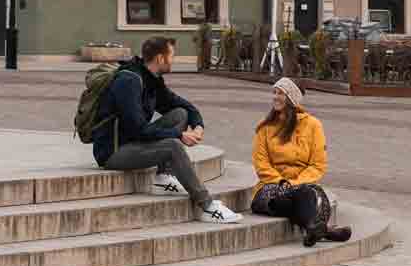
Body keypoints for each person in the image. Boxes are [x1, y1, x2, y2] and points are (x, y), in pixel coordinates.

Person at [92, 35, 242, 224]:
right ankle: (207, 206)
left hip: (132, 141)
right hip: (113, 151)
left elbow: (180, 104)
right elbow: (139, 130)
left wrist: (198, 125)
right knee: (172, 146)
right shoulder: (129, 81)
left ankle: (163, 177)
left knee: (179, 114)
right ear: (160, 59)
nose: (174, 60)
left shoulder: (151, 78)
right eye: (172, 56)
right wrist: (179, 135)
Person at [251, 77, 351, 247]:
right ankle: (322, 230)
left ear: (292, 99)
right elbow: (261, 163)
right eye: (274, 92)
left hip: (302, 184)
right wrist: (282, 182)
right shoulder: (264, 127)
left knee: (307, 193)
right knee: (290, 198)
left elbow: (317, 165)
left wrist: (295, 184)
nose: (275, 97)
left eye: (280, 93)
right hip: (270, 186)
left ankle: (313, 229)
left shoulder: (313, 126)